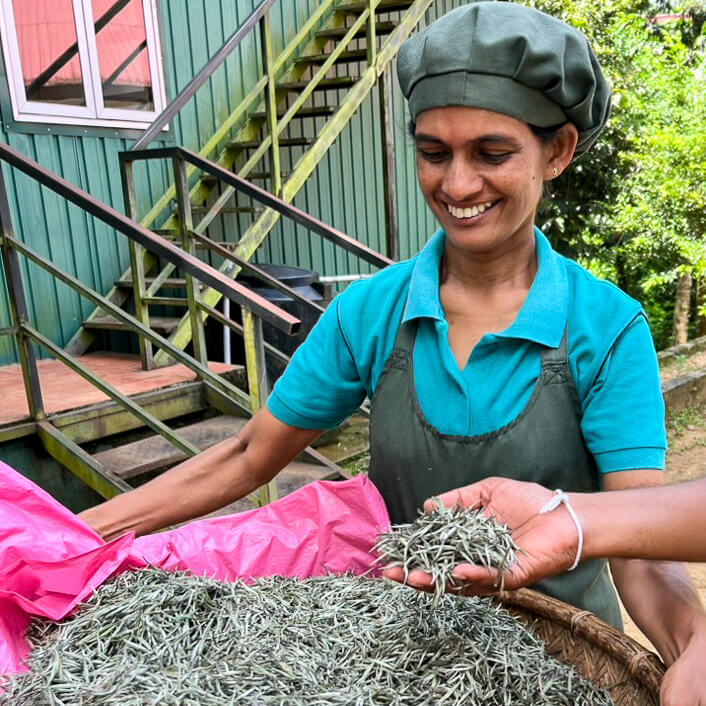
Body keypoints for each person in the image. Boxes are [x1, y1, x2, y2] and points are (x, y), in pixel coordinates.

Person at [80, 2, 705, 701]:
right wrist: (74, 537)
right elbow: (249, 454)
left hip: (561, 663)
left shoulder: (605, 327)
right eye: (433, 153)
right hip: (399, 651)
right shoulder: (370, 313)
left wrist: (690, 642)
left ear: (556, 150)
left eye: (492, 154)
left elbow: (639, 542)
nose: (457, 185)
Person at [383, 476, 706, 593]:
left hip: (575, 622)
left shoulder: (607, 327)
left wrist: (691, 635)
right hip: (406, 603)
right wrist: (568, 517)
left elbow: (644, 543)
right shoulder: (363, 324)